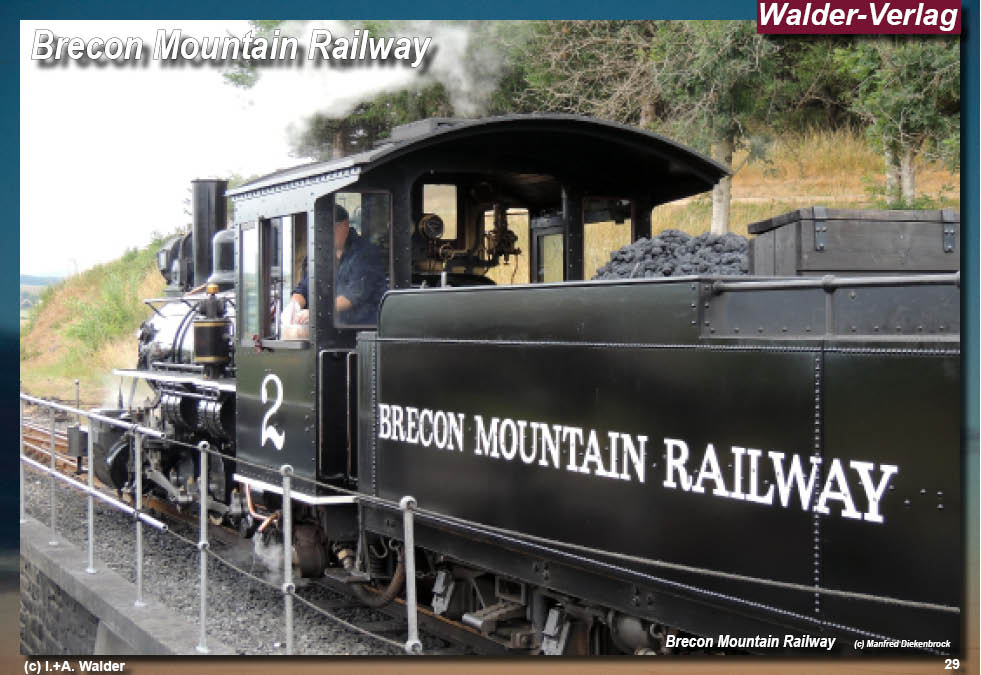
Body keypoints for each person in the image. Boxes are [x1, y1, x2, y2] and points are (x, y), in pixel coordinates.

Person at [284, 204, 387, 328]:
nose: (325, 234)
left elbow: (352, 296)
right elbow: (304, 288)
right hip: (331, 329)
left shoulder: (365, 252)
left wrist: (315, 312)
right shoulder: (323, 254)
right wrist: (294, 306)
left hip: (363, 331)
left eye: (330, 228)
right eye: (322, 229)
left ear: (345, 225)